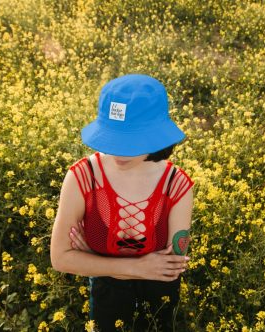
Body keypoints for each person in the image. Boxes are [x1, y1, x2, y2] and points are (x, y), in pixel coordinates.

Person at [50, 74, 194, 331]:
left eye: (130, 142)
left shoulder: (177, 184)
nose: (118, 152)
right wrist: (140, 267)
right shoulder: (82, 177)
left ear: (157, 136)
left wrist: (93, 259)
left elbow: (170, 269)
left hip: (159, 297)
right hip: (107, 296)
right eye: (112, 138)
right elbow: (60, 259)